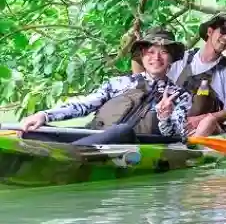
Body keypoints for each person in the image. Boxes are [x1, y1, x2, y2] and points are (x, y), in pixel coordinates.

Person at [19, 28, 193, 144]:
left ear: (171, 59)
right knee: (31, 133)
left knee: (122, 131)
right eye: (151, 52)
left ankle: (66, 153)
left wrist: (164, 117)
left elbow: (176, 136)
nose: (156, 58)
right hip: (94, 137)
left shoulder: (180, 96)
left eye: (163, 52)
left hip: (132, 144)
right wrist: (45, 115)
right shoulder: (119, 83)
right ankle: (68, 152)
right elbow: (84, 105)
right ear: (142, 56)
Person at [169, 12, 226, 138]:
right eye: (223, 31)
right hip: (175, 124)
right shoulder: (182, 59)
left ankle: (191, 150)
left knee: (208, 121)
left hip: (208, 130)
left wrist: (202, 119)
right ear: (210, 32)